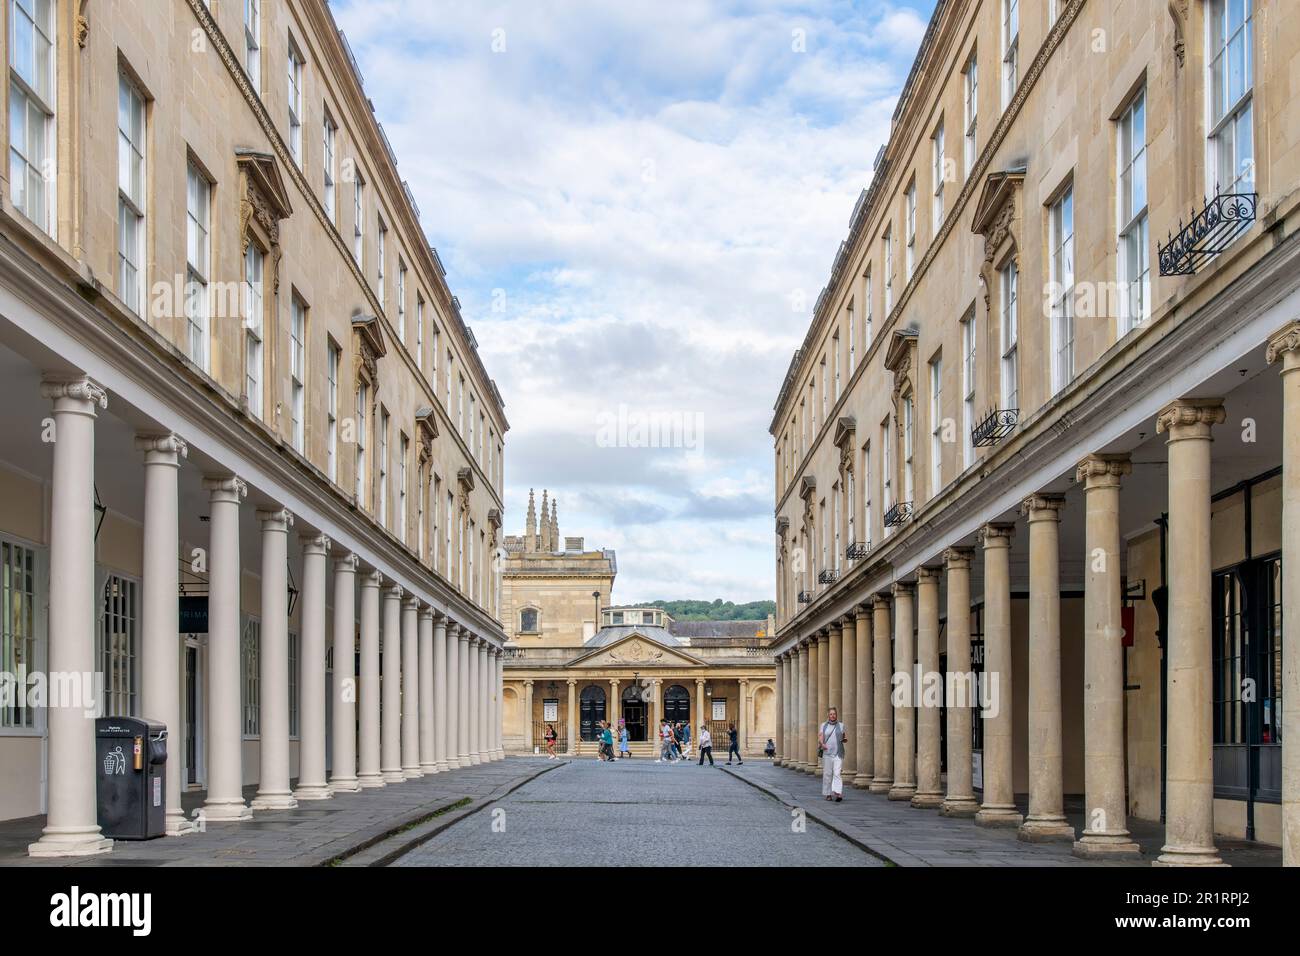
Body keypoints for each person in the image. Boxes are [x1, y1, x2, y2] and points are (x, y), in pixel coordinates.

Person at [818, 706, 847, 801]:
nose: (833, 716)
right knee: (827, 774)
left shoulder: (841, 725)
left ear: (836, 715)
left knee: (837, 773)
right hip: (827, 753)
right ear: (828, 715)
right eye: (831, 714)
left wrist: (844, 739)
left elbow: (843, 736)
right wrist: (822, 744)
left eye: (834, 714)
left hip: (838, 753)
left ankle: (838, 793)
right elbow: (821, 737)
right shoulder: (823, 725)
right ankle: (828, 794)